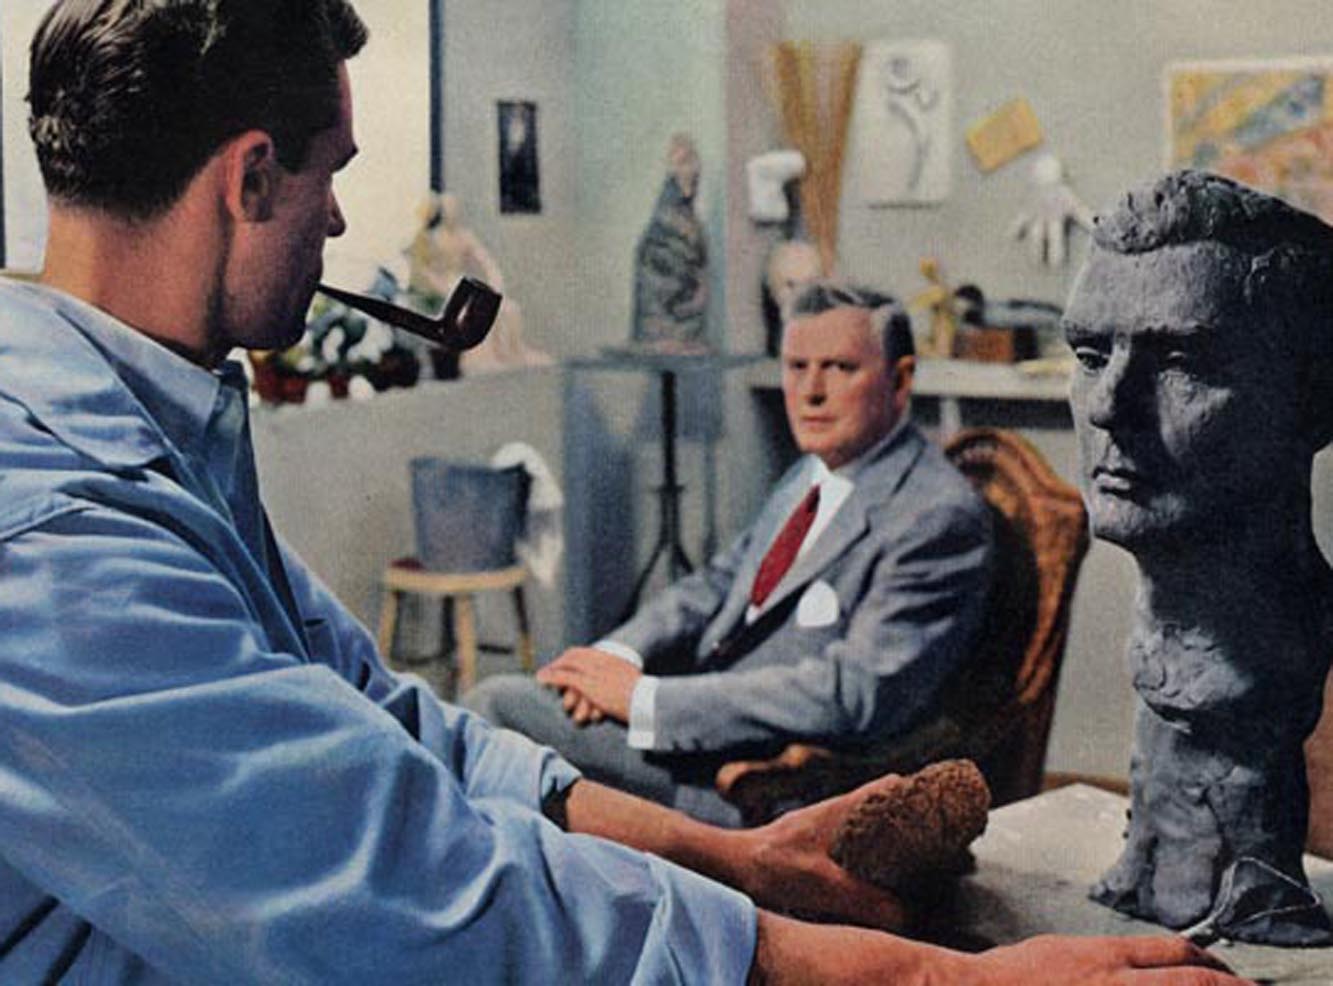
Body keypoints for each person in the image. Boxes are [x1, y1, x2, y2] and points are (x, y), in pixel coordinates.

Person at [0, 2, 1249, 983]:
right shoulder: (53, 522)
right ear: (249, 179)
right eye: (330, 177)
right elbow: (419, 887)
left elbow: (389, 723)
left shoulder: (157, 424)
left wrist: (740, 859)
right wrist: (932, 978)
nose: (334, 220)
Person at [467, 282, 995, 827]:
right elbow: (718, 583)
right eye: (796, 367)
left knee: (492, 714)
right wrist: (617, 658)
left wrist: (646, 700)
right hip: (696, 738)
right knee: (488, 720)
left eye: (839, 368)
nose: (810, 392)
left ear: (900, 380)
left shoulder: (935, 516)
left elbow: (854, 692)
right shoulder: (814, 472)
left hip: (759, 787)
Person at [1064, 169, 1333, 944]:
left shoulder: (1285, 650)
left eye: (1181, 361)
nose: (1106, 406)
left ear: (1313, 401)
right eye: (1089, 354)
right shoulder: (1162, 631)